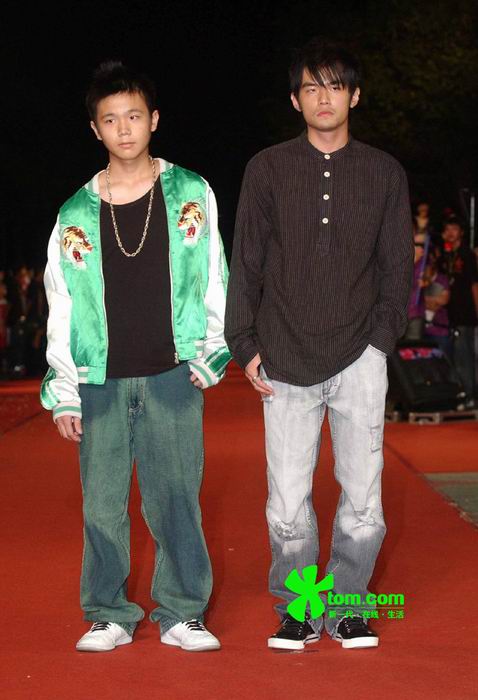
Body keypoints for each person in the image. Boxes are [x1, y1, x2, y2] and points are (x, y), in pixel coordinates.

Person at [225, 38, 413, 651]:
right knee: (287, 497)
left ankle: (350, 606)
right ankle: (301, 608)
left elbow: (397, 267)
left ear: (354, 96)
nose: (323, 97)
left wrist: (380, 342)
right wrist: (243, 341)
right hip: (283, 353)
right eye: (311, 87)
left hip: (361, 354)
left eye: (335, 86)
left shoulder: (384, 173)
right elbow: (247, 260)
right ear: (295, 100)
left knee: (363, 493)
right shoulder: (267, 168)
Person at [41, 61, 230, 653]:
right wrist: (64, 390)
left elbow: (214, 275)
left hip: (172, 371)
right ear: (95, 129)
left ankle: (183, 610)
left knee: (176, 498)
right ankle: (108, 612)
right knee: (102, 505)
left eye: (133, 116)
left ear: (153, 120)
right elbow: (61, 303)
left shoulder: (191, 192)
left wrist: (210, 352)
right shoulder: (74, 213)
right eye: (110, 120)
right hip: (99, 378)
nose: (123, 129)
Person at [441, 218, 478, 407]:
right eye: (447, 228)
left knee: (465, 357)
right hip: (448, 317)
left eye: (454, 228)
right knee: (453, 358)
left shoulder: (466, 254)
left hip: (466, 314)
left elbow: (474, 284)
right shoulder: (445, 255)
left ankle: (470, 396)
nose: (450, 232)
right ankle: (458, 395)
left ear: (461, 232)